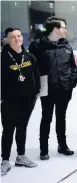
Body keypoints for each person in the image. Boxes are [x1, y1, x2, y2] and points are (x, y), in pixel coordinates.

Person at [29, 16, 77, 160]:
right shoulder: (37, 45)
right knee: (46, 118)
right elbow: (32, 68)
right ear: (56, 29)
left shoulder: (66, 45)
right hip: (47, 89)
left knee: (61, 118)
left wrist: (72, 80)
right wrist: (36, 86)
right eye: (63, 27)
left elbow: (72, 66)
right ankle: (44, 149)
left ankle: (62, 145)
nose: (65, 30)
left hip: (64, 88)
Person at [1, 28, 41, 176]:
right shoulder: (3, 58)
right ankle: (5, 160)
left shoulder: (29, 56)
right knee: (8, 130)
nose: (17, 39)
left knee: (22, 128)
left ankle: (21, 156)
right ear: (7, 39)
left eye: (19, 36)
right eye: (13, 37)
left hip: (27, 100)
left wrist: (34, 94)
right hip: (9, 101)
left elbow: (37, 76)